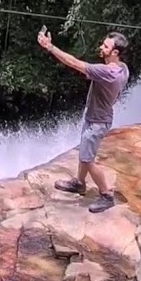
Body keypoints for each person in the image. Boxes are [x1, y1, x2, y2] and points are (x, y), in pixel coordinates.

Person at [37, 28, 130, 213]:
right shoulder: (123, 68)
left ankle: (106, 195)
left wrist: (50, 47)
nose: (101, 47)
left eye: (105, 46)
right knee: (85, 153)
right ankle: (79, 183)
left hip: (98, 122)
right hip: (97, 118)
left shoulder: (107, 73)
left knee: (87, 159)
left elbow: (73, 62)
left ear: (115, 53)